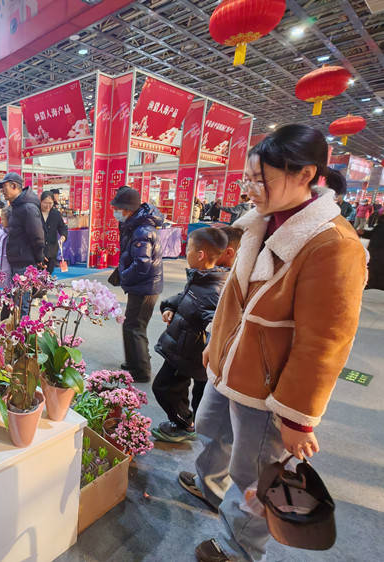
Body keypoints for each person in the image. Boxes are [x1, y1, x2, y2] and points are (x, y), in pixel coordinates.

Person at [177, 124, 367, 562]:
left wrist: (297, 416)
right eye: (248, 179)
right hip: (231, 364)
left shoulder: (333, 244)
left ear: (305, 174)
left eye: (260, 179)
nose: (250, 189)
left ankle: (239, 548)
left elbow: (325, 341)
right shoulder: (259, 223)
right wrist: (216, 345)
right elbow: (233, 293)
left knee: (256, 472)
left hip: (269, 387)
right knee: (211, 430)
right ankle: (210, 487)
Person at [151, 227, 230, 442]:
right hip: (181, 348)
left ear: (200, 255)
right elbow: (184, 299)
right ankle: (185, 420)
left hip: (188, 355)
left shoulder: (213, 290)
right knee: (176, 389)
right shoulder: (201, 278)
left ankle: (185, 425)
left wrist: (209, 352)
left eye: (189, 249)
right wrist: (170, 308)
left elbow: (217, 327)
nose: (186, 253)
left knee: (163, 389)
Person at [112, 186, 164, 383]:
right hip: (142, 284)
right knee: (132, 325)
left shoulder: (142, 230)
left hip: (145, 286)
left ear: (127, 209)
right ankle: (134, 362)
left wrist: (124, 275)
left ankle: (141, 370)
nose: (115, 212)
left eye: (117, 208)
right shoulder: (135, 225)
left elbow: (142, 263)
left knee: (135, 327)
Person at [0, 172, 45, 318]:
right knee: (16, 301)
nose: (2, 191)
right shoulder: (17, 207)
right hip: (17, 262)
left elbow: (37, 236)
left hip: (24, 263)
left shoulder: (28, 208)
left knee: (22, 302)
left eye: (4, 187)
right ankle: (16, 327)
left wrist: (39, 258)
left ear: (14, 186)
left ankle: (23, 329)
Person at [40, 191, 68, 274]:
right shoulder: (35, 213)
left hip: (51, 249)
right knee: (36, 275)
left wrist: (63, 236)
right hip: (38, 250)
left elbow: (62, 227)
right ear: (41, 201)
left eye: (50, 203)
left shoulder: (56, 214)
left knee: (49, 274)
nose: (48, 206)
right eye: (45, 203)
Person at [362, 218, 383, 291]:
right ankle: (370, 284)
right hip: (374, 252)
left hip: (379, 254)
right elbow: (374, 234)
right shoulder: (381, 224)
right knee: (372, 270)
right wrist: (363, 233)